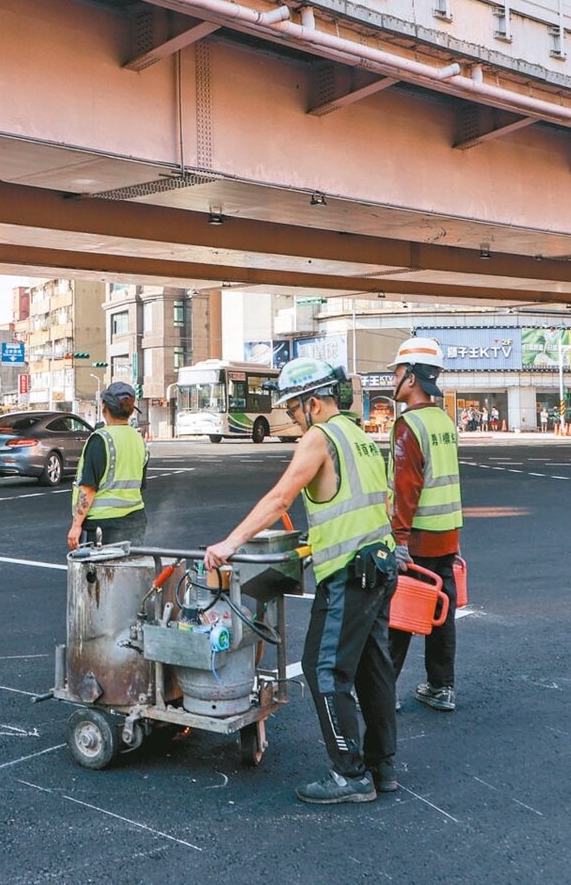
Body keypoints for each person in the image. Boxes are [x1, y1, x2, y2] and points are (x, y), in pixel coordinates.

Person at [205, 358, 400, 805]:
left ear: (313, 402)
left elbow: (280, 497)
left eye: (293, 409)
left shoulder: (320, 436)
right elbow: (363, 502)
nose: (292, 418)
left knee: (323, 668)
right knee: (374, 669)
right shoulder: (359, 435)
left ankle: (350, 774)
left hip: (350, 573)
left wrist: (230, 543)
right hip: (378, 564)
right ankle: (382, 766)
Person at [385, 337, 464, 714]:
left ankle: (381, 690)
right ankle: (441, 686)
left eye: (398, 372)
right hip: (446, 536)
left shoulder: (408, 426)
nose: (394, 379)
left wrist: (398, 539)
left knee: (398, 617)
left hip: (415, 539)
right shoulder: (443, 422)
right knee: (441, 613)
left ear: (412, 378)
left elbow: (406, 488)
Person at [67, 382, 149, 550]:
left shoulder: (100, 439)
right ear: (131, 410)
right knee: (130, 572)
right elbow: (140, 484)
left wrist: (76, 525)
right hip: (135, 520)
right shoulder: (138, 438)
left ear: (104, 407)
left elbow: (88, 488)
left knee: (101, 574)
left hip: (103, 527)